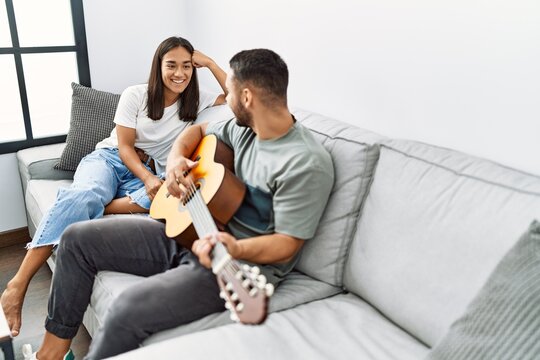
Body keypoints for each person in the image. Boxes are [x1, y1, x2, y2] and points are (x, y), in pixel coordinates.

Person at [26, 48, 334, 360]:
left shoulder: (305, 162)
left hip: (236, 266)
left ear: (247, 97)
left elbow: (287, 244)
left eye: (229, 92)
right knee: (77, 239)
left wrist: (236, 248)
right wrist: (175, 162)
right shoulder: (245, 128)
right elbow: (197, 131)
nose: (225, 99)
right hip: (192, 231)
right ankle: (50, 355)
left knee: (126, 309)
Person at [0, 36, 228, 339]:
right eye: (171, 65)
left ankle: (95, 206)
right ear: (158, 67)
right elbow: (123, 147)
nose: (179, 73)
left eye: (187, 66)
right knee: (87, 194)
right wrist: (147, 180)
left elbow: (236, 96)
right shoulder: (136, 95)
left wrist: (210, 63)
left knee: (165, 201)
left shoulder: (195, 100)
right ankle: (17, 285)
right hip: (111, 160)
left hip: (148, 172)